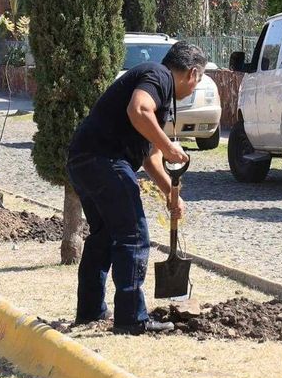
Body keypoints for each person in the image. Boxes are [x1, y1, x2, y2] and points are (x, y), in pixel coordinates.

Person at [67, 41, 207, 335]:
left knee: (104, 235)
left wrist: (171, 192)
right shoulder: (159, 76)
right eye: (198, 81)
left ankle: (90, 311)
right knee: (133, 234)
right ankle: (132, 318)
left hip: (83, 160)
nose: (194, 89)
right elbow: (138, 109)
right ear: (192, 73)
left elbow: (149, 155)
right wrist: (169, 146)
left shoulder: (160, 91)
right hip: (105, 159)